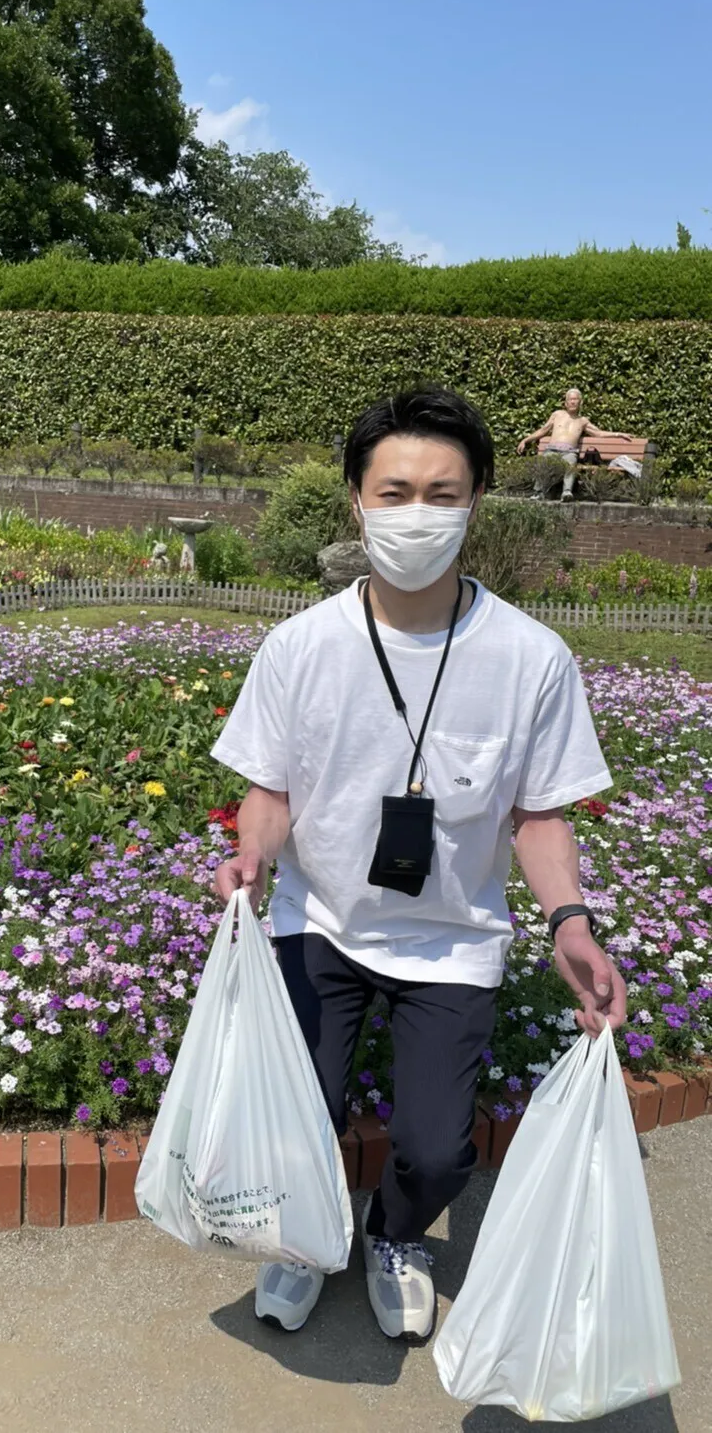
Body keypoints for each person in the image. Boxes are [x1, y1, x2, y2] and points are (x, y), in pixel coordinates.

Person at [211, 385, 625, 1343]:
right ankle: (303, 1243)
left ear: (476, 502)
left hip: (452, 938)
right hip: (318, 921)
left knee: (439, 1151)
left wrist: (570, 921)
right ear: (358, 502)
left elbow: (537, 816)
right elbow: (270, 791)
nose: (417, 514)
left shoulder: (530, 658)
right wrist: (252, 857)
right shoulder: (300, 647)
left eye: (443, 493)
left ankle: (396, 1234)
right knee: (291, 1116)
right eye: (394, 493)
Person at [516, 388, 633, 502]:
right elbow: (543, 430)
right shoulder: (557, 415)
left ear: (580, 402)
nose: (572, 402)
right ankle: (539, 493)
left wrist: (618, 434)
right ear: (566, 403)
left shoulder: (583, 421)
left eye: (575, 399)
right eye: (570, 399)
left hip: (569, 452)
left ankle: (566, 492)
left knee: (571, 463)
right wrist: (525, 440)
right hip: (552, 450)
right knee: (544, 462)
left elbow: (599, 433)